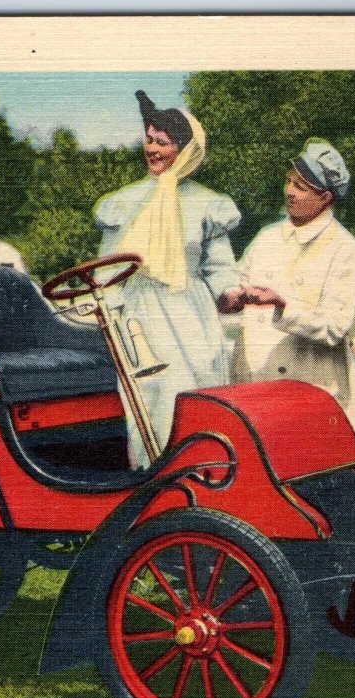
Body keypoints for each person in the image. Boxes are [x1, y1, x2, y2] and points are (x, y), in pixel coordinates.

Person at [95, 91, 244, 467]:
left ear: (185, 148)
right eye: (148, 140)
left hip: (191, 311)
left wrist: (233, 292)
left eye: (162, 142)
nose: (152, 148)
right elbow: (106, 272)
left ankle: (204, 480)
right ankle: (153, 485)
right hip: (140, 313)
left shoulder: (208, 203)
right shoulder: (125, 202)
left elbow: (219, 268)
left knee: (199, 389)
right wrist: (113, 317)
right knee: (153, 394)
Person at [231, 139, 355, 449]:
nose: (289, 192)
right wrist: (231, 297)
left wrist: (282, 304)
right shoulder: (267, 237)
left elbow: (336, 326)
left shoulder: (345, 250)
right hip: (254, 388)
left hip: (310, 393)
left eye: (301, 187)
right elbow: (236, 284)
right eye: (289, 180)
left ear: (325, 198)